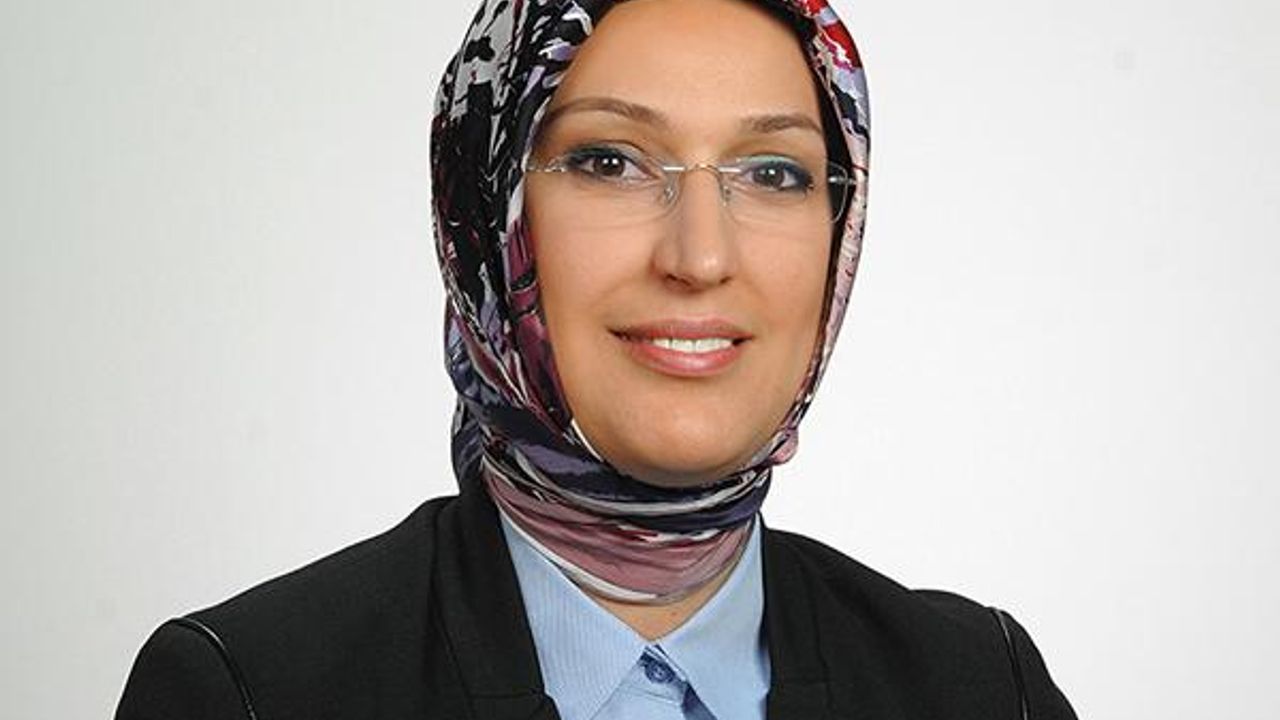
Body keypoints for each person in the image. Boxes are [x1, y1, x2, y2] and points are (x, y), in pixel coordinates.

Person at [116, 0, 1077, 718]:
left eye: (772, 172)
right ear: (486, 221)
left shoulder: (984, 689)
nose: (701, 256)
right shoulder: (250, 692)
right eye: (610, 161)